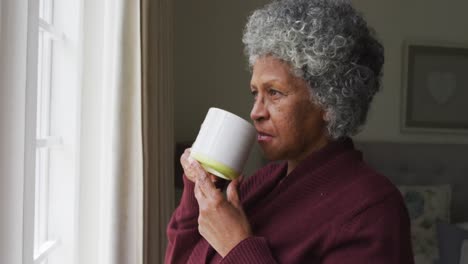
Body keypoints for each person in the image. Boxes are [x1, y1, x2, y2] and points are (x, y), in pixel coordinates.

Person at [165, 0, 414, 263]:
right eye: (255, 93)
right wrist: (198, 191)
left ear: (329, 102)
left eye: (274, 93)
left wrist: (237, 245)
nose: (256, 112)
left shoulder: (371, 209)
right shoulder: (262, 183)